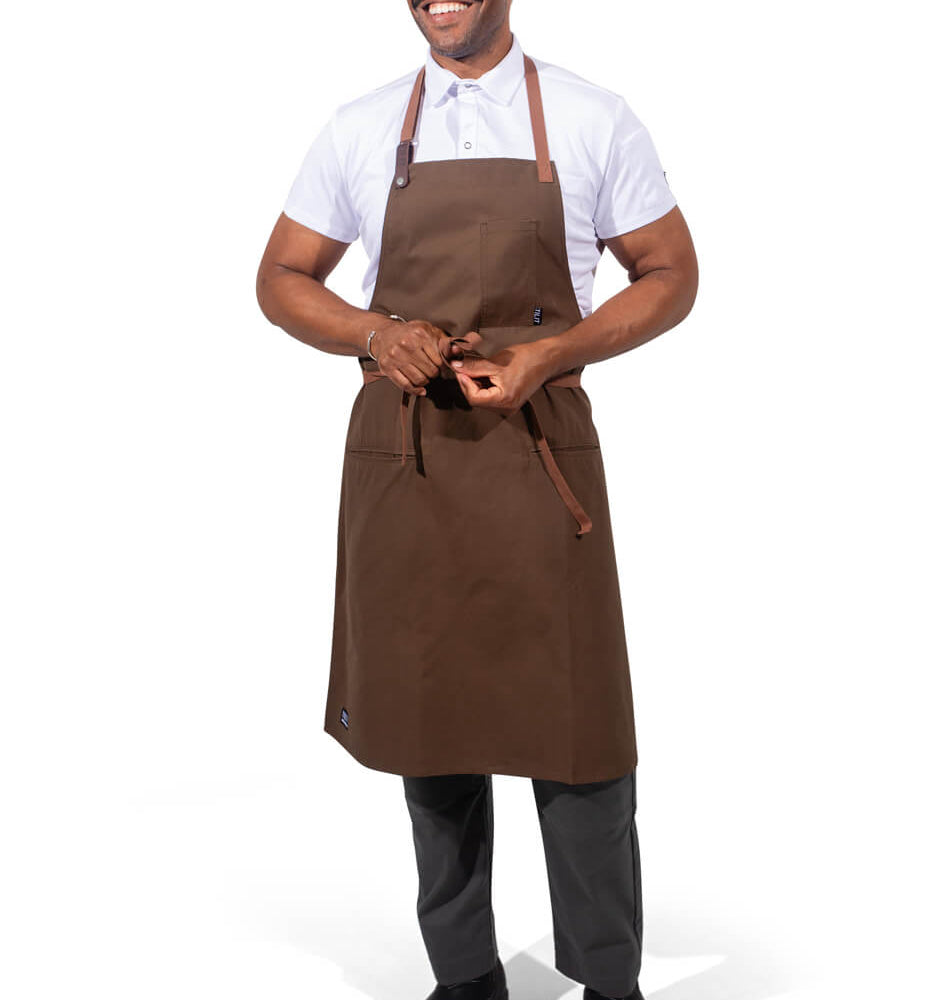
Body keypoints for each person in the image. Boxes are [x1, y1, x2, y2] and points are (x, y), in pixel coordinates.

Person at [256, 2, 698, 998]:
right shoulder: (361, 126)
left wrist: (557, 350)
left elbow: (671, 272)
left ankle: (609, 982)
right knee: (430, 732)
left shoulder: (591, 116)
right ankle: (464, 979)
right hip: (408, 464)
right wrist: (373, 333)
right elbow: (281, 276)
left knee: (580, 738)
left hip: (541, 458)